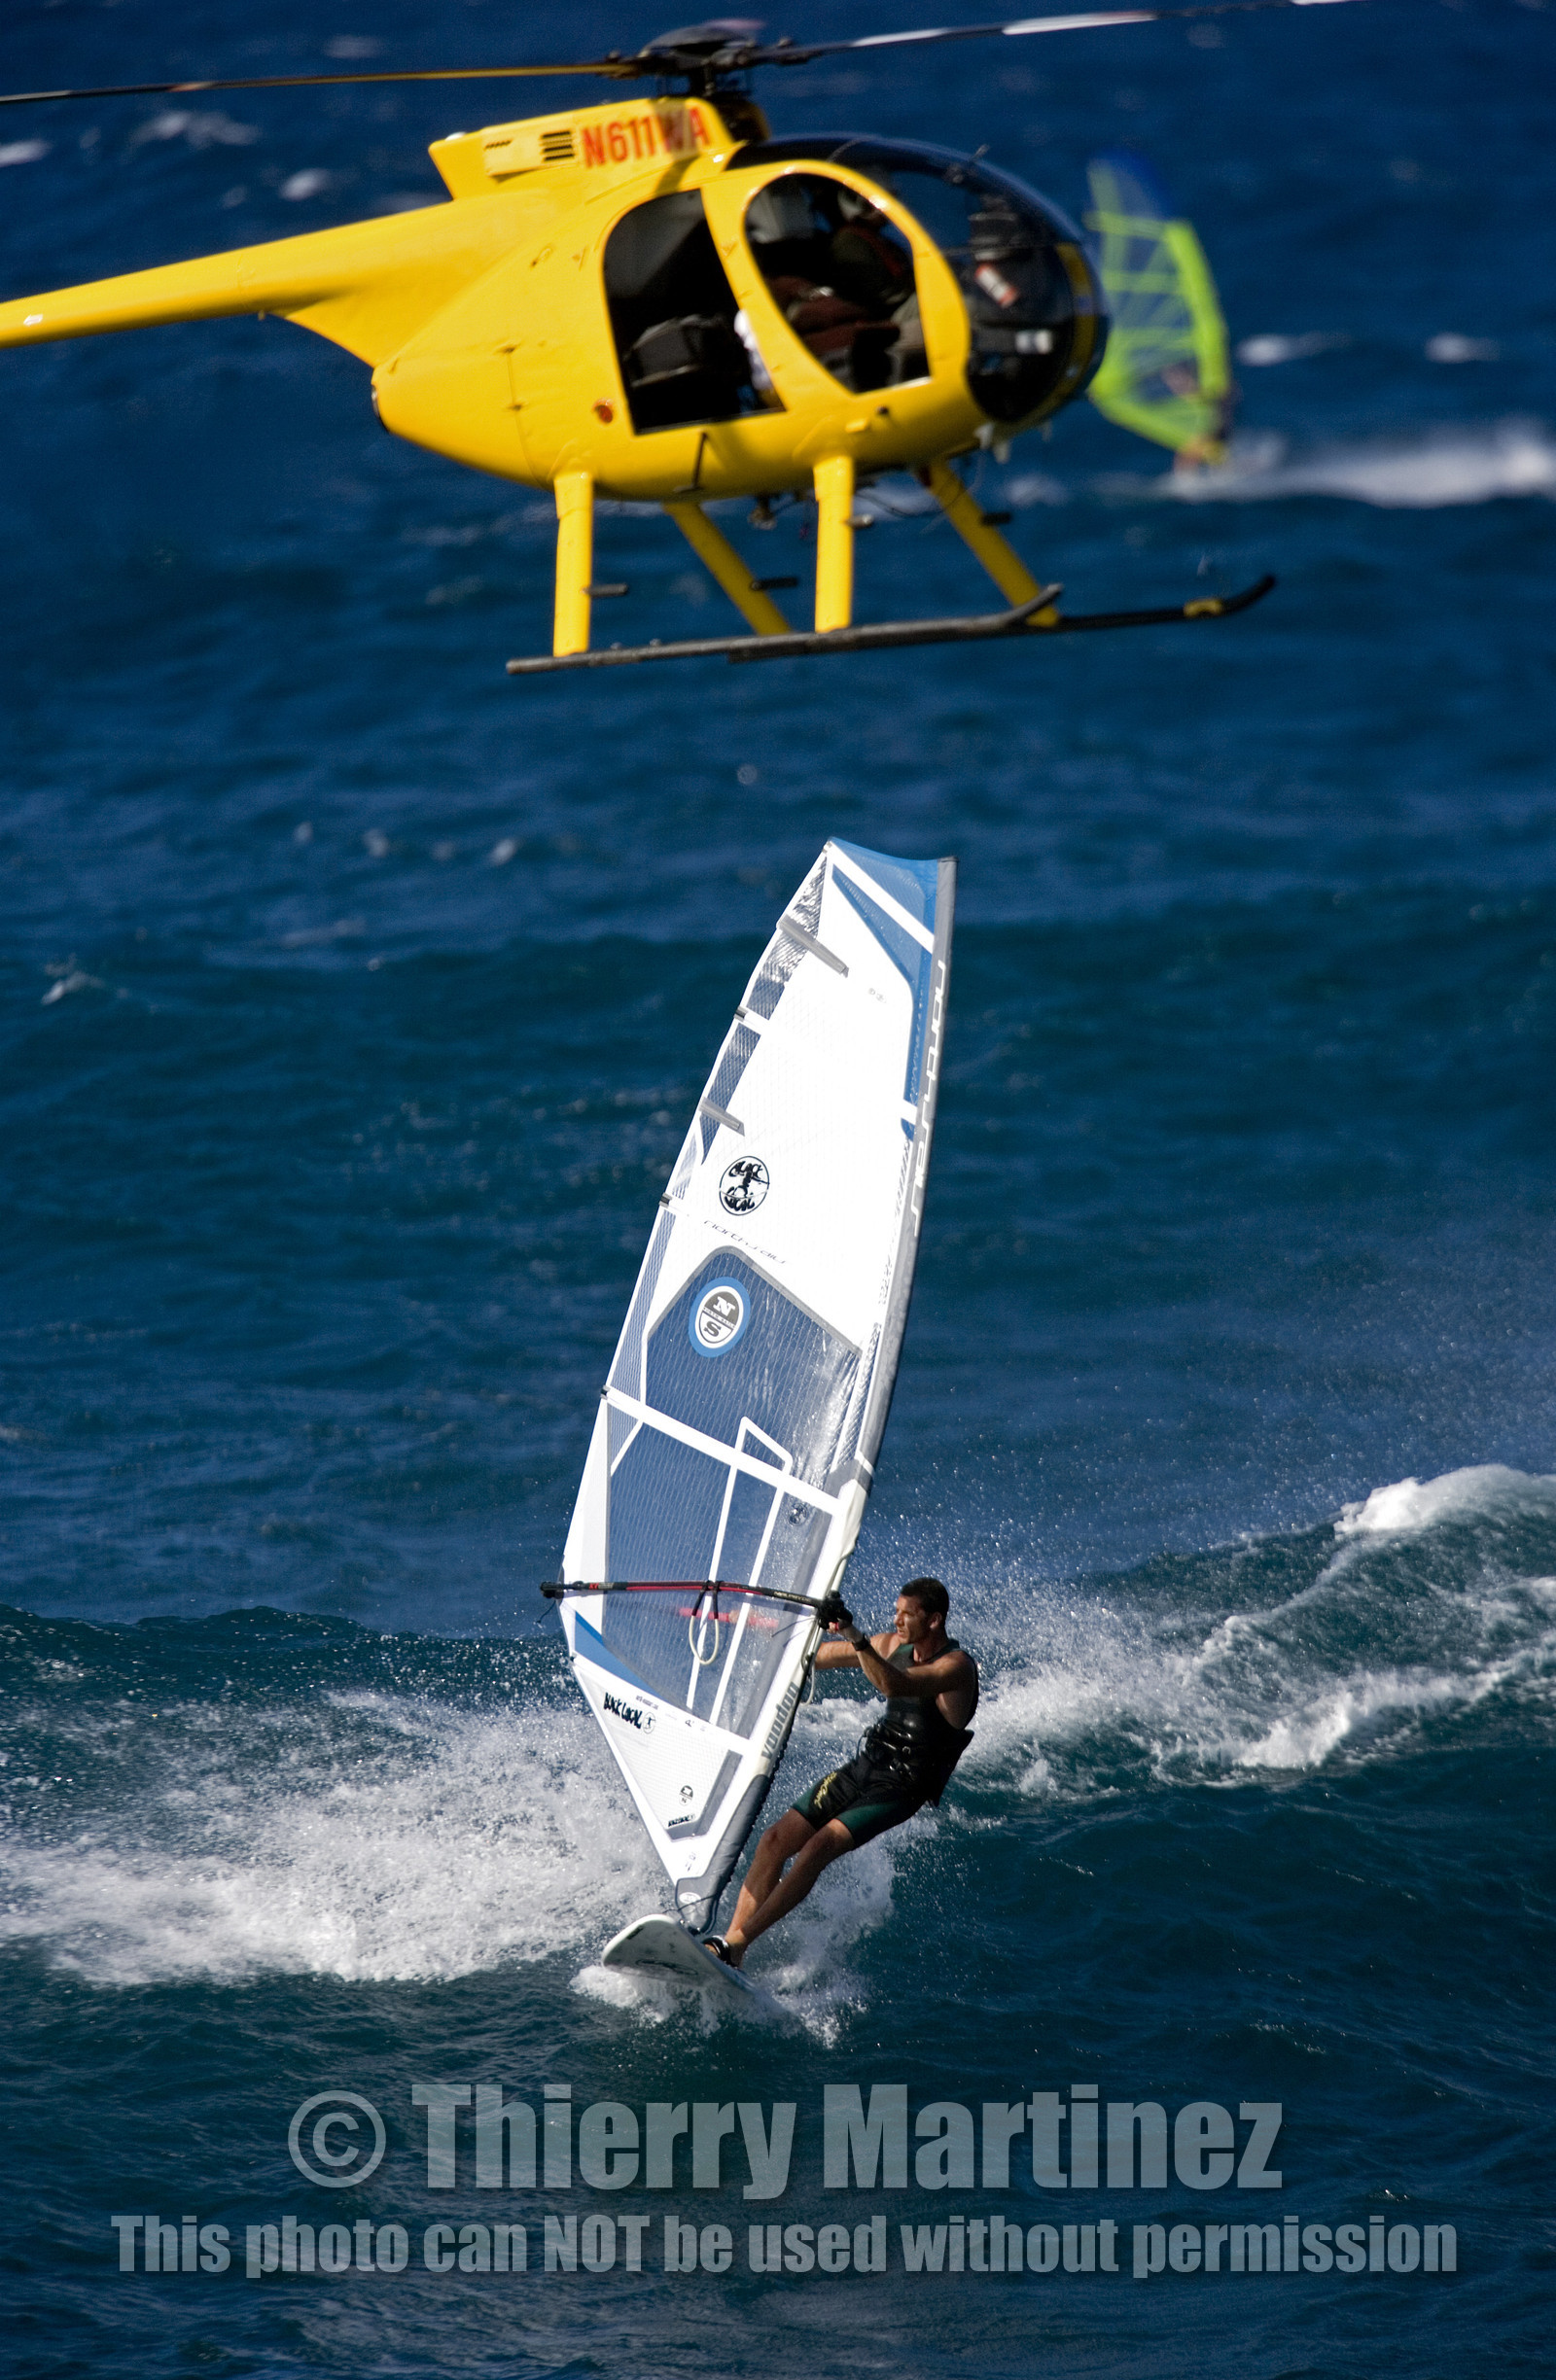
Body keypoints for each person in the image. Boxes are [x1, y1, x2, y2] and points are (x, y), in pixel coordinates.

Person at [706, 1577, 978, 1968]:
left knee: (818, 1847)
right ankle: (732, 1949)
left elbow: (894, 1683)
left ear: (935, 1620)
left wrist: (853, 1632)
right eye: (896, 1610)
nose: (897, 1620)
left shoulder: (957, 1667)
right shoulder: (892, 1645)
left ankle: (734, 1944)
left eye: (907, 1614)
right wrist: (761, 1635)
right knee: (774, 1840)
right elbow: (819, 1656)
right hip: (867, 1764)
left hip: (902, 1786)